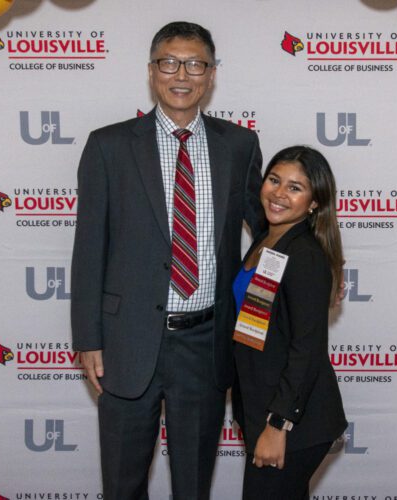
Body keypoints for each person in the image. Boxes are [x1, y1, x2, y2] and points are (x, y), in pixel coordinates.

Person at [70, 21, 264, 500]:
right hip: (126, 340)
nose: (183, 74)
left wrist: (321, 259)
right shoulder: (108, 146)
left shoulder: (239, 145)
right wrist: (88, 339)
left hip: (205, 342)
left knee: (193, 486)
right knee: (121, 483)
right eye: (169, 62)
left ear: (212, 74)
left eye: (196, 64)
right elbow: (89, 246)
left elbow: (267, 235)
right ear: (152, 71)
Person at [232, 145, 347, 500]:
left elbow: (307, 349)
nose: (279, 193)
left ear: (315, 202)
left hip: (293, 420)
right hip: (262, 408)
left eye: (295, 188)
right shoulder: (268, 241)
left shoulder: (304, 255)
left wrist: (278, 424)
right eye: (274, 180)